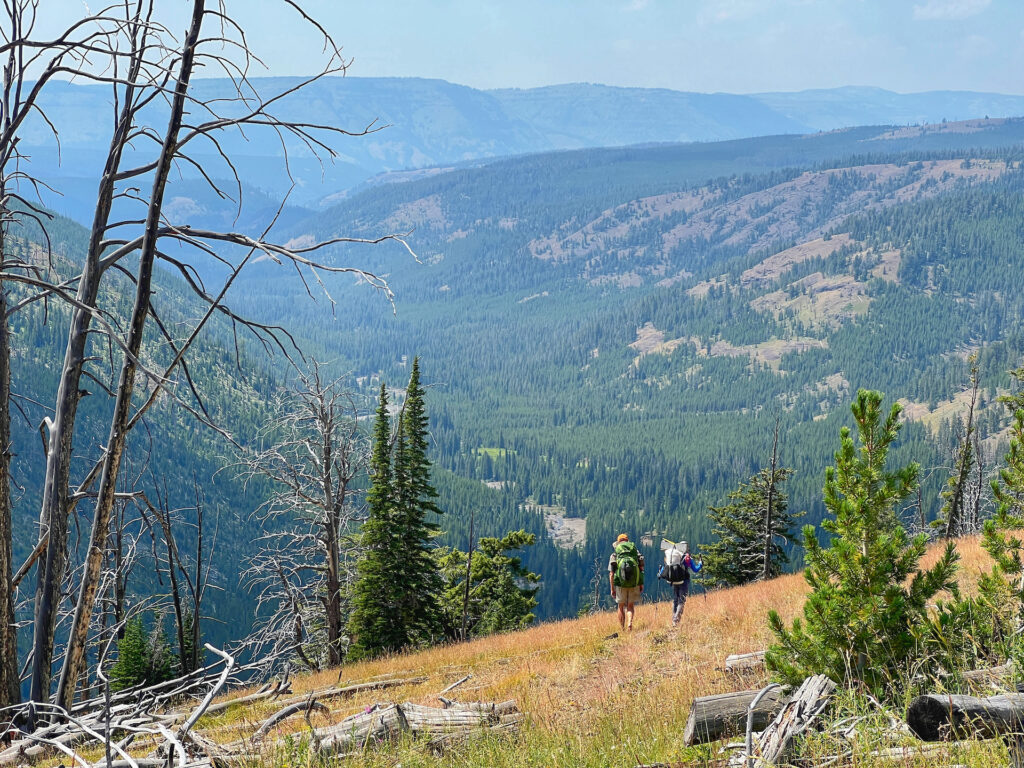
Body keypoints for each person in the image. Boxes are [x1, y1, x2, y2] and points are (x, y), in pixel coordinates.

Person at [658, 539, 701, 626]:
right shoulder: (687, 558)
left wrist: (660, 573)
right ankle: (676, 620)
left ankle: (674, 618)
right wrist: (700, 564)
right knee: (681, 601)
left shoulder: (673, 556)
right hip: (684, 581)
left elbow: (666, 567)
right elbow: (695, 569)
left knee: (675, 600)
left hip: (674, 581)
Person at [609, 533, 644, 631]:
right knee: (630, 606)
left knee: (620, 606)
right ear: (627, 541)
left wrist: (612, 588)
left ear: (618, 542)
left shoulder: (615, 554)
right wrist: (640, 583)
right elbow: (641, 568)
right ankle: (629, 623)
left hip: (620, 583)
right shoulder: (635, 552)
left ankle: (622, 629)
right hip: (634, 582)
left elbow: (611, 573)